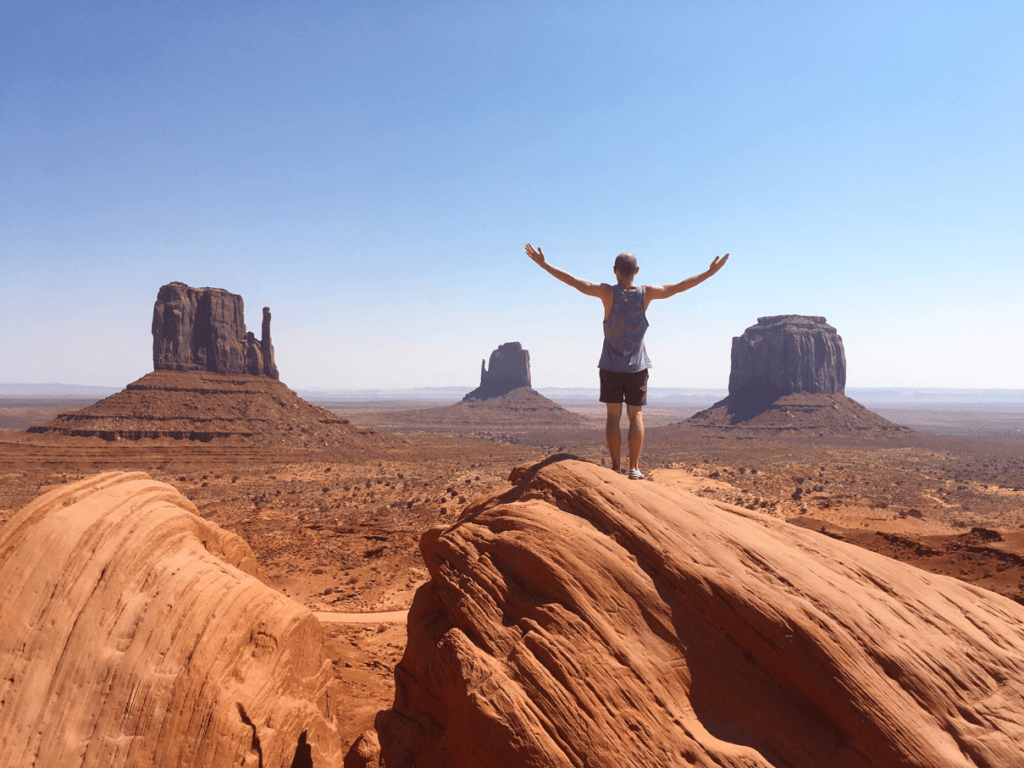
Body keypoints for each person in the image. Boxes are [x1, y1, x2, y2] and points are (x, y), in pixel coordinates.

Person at [525, 243, 728, 479]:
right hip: (637, 367)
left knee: (613, 416)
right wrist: (709, 273)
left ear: (614, 270)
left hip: (611, 366)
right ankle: (634, 468)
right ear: (637, 270)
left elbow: (574, 282)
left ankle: (615, 468)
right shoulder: (647, 293)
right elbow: (678, 287)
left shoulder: (607, 293)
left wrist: (543, 264)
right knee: (636, 416)